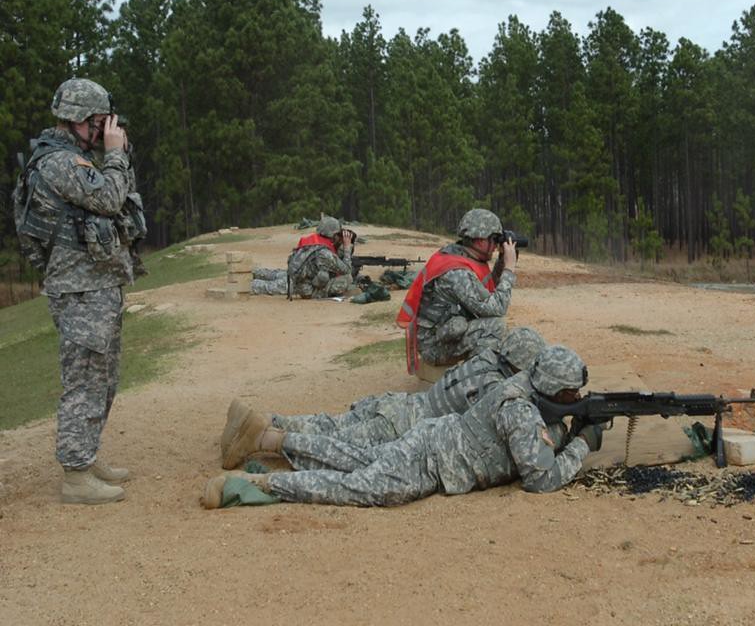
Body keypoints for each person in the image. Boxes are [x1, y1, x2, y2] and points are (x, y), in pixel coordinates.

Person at [203, 345, 604, 508]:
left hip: (430, 438)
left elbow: (539, 436)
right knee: (358, 487)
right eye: (571, 392)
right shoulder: (520, 410)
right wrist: (582, 443)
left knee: (353, 456)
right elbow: (540, 479)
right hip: (431, 462)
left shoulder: (520, 385)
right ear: (552, 387)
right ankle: (256, 485)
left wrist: (568, 426)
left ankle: (271, 437)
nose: (575, 396)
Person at [12, 77, 146, 504]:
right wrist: (115, 155)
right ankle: (75, 475)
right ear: (79, 120)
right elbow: (109, 199)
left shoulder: (76, 158)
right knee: (84, 380)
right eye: (101, 122)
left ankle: (86, 457)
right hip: (80, 289)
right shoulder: (60, 163)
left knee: (103, 379)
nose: (107, 130)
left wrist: (116, 155)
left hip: (95, 284)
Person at [218, 327, 548, 467]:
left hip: (399, 405)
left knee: (331, 425)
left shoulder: (485, 359)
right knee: (336, 446)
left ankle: (264, 420)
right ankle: (261, 439)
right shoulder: (496, 386)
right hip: (402, 425)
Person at [396, 208, 517, 374]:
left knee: (489, 325)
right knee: (495, 327)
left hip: (444, 333)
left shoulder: (460, 255)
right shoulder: (457, 272)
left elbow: (486, 291)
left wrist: (502, 262)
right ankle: (475, 379)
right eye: (495, 239)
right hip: (433, 346)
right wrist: (509, 269)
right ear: (480, 241)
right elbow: (497, 307)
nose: (496, 245)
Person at [284, 215, 355, 299]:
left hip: (301, 284)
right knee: (348, 278)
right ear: (332, 234)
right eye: (337, 234)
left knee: (324, 274)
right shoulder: (324, 253)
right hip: (309, 291)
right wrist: (347, 248)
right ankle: (318, 294)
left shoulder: (313, 243)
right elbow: (346, 269)